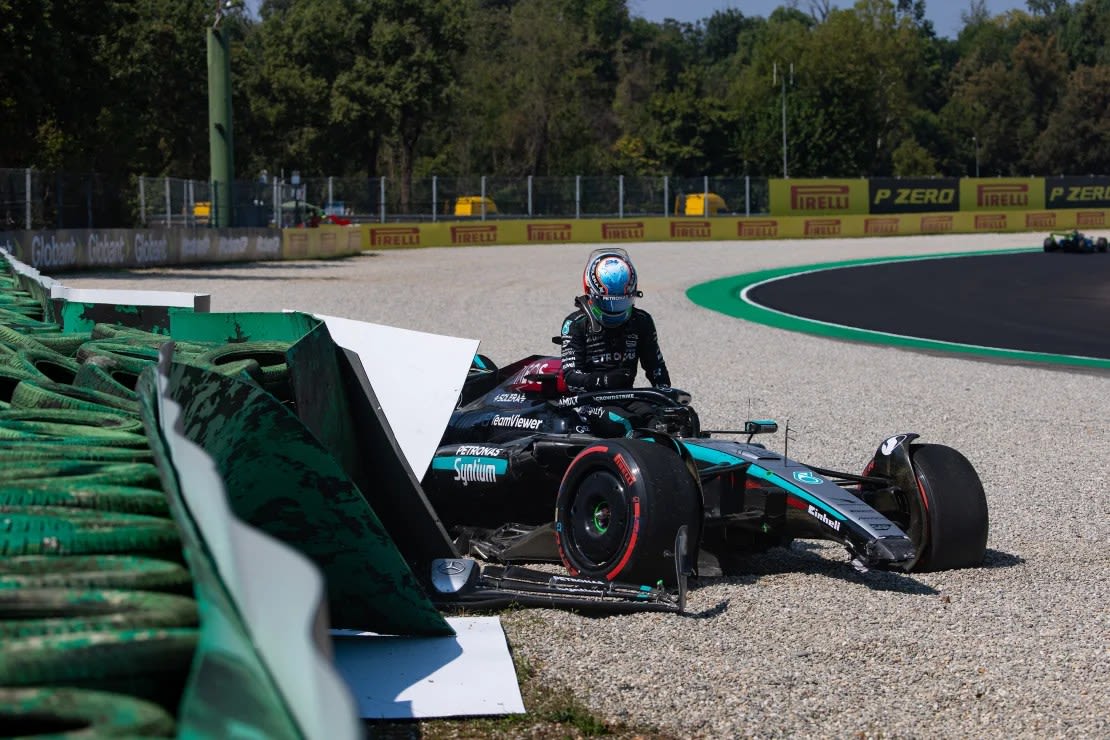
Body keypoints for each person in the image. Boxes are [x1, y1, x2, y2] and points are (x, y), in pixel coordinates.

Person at [559, 248, 671, 436]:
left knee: (668, 421)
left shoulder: (641, 320)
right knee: (626, 426)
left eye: (621, 302)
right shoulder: (575, 324)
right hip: (589, 401)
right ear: (590, 292)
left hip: (628, 396)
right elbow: (570, 377)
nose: (614, 310)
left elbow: (655, 366)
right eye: (608, 302)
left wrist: (666, 397)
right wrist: (603, 380)